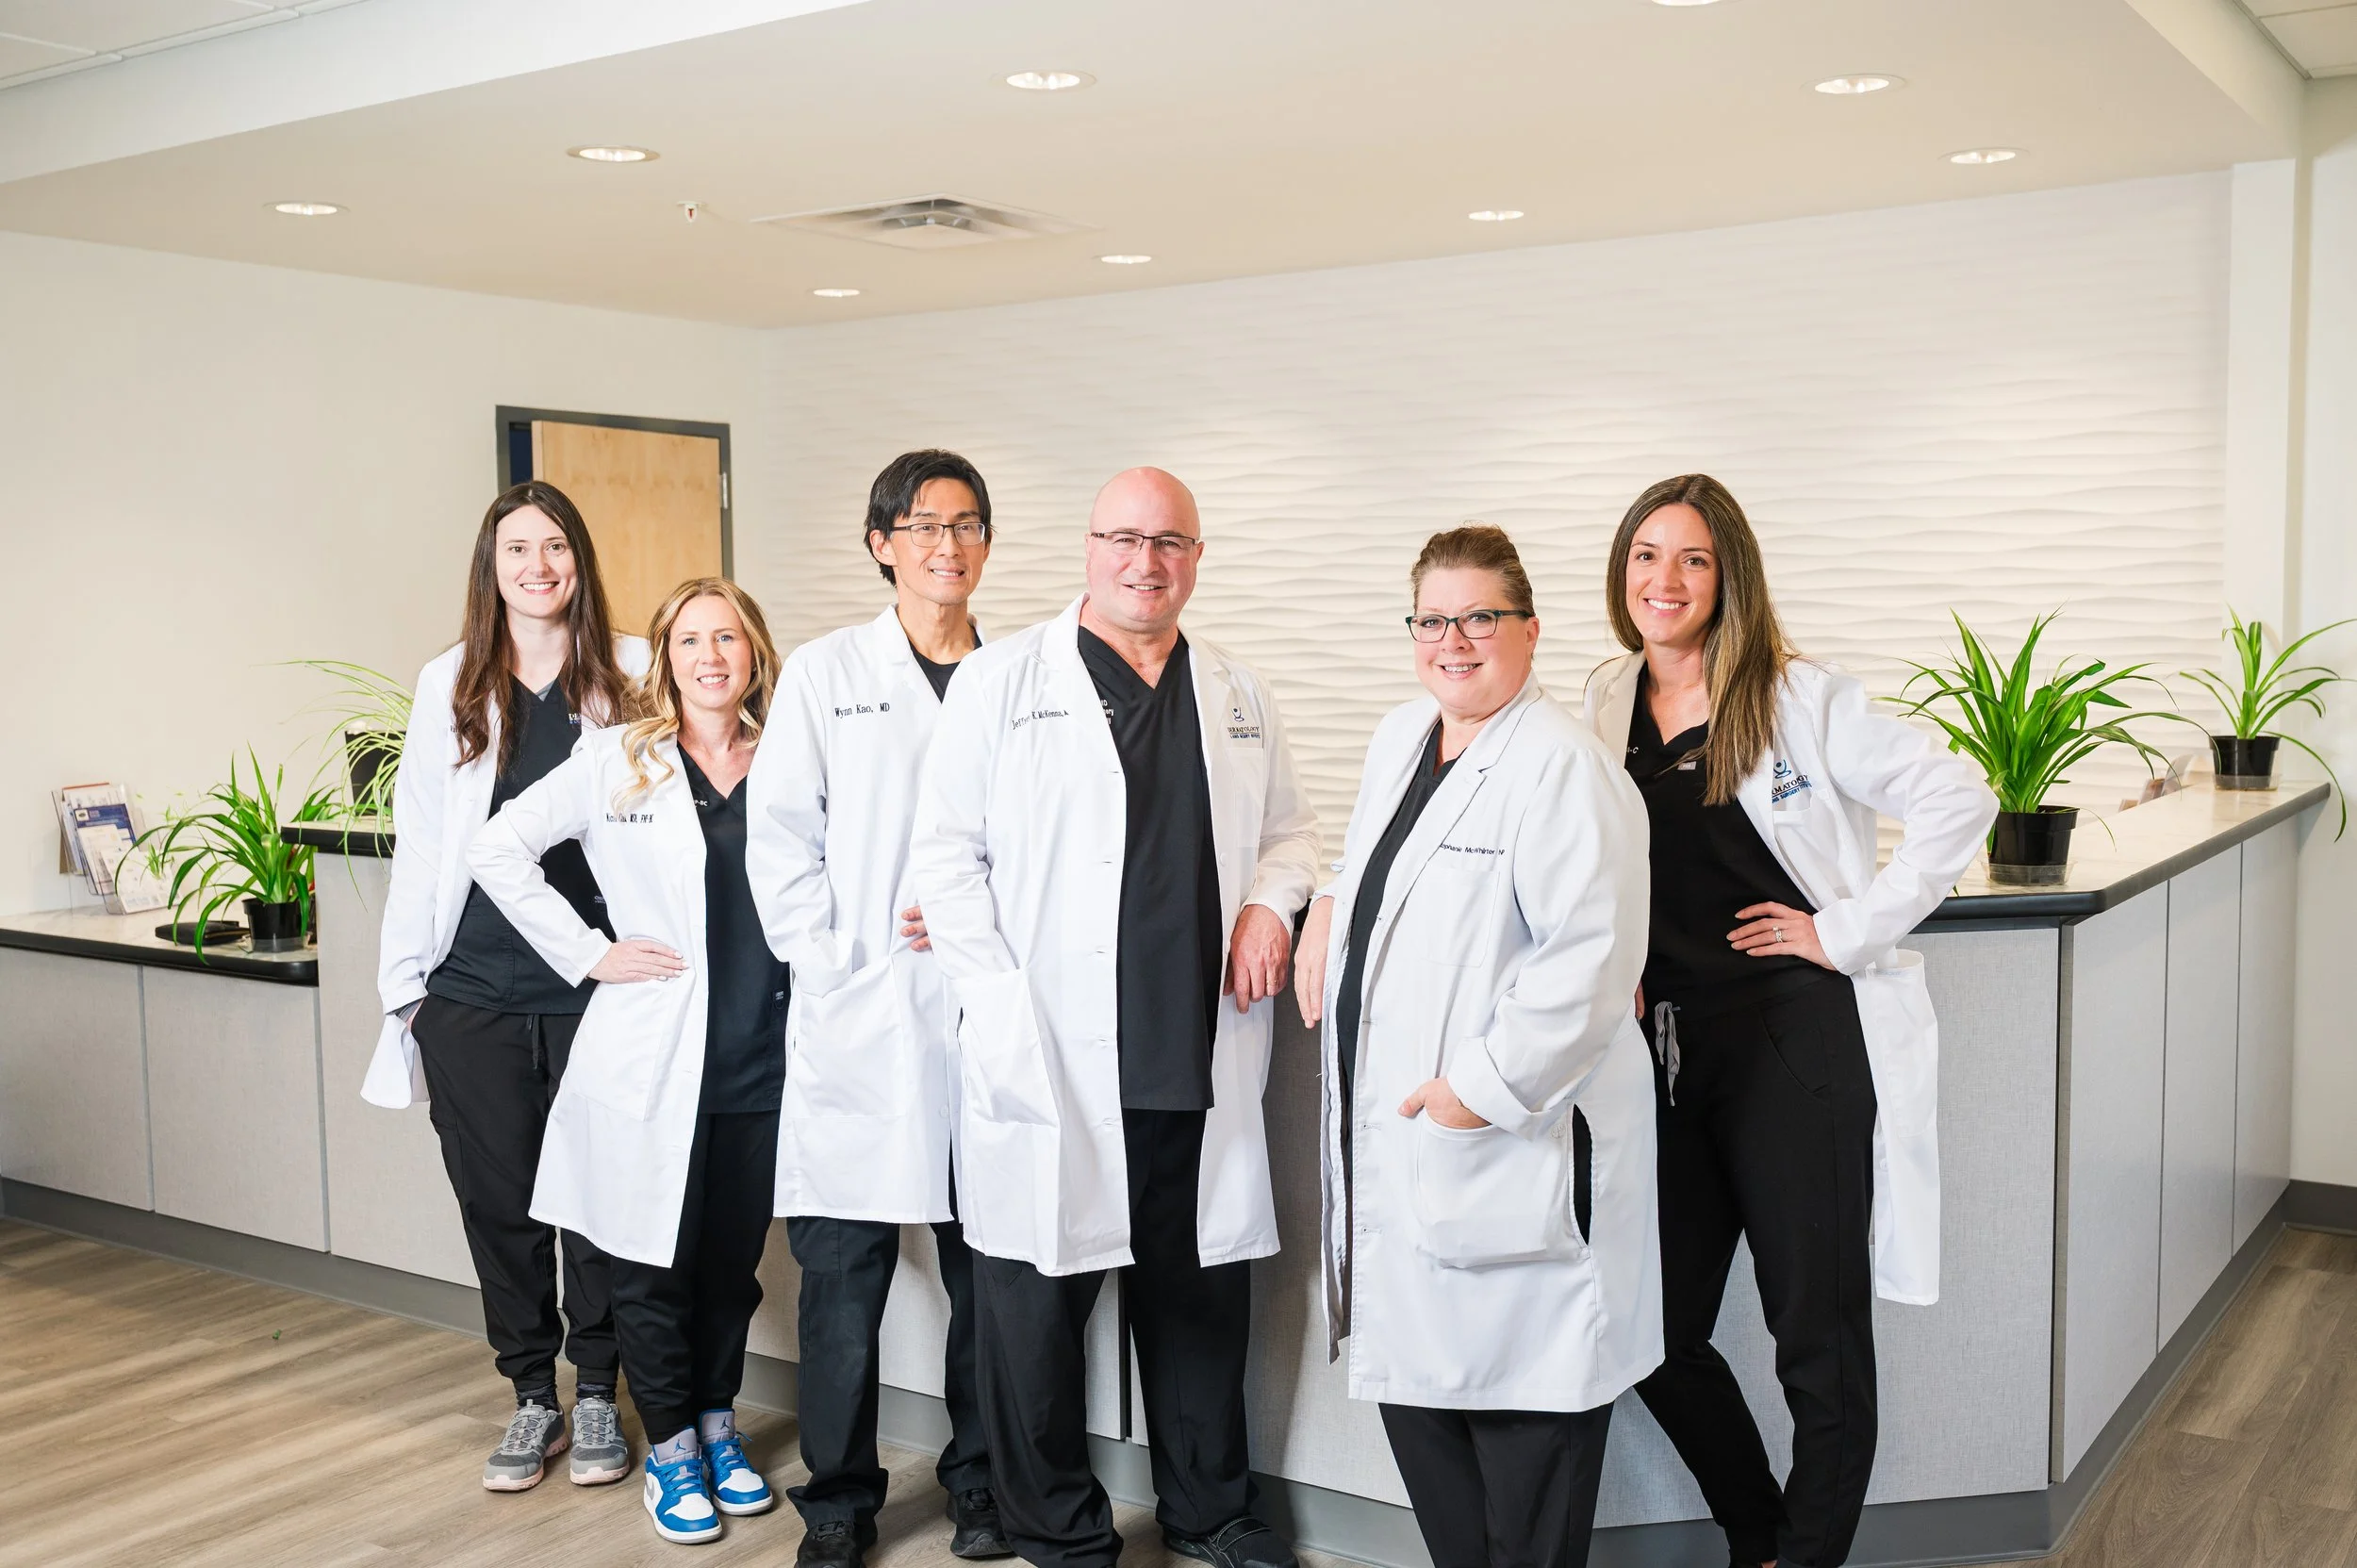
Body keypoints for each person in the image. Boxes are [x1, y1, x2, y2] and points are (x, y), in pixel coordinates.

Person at [910, 468, 1321, 1568]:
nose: (1148, 563)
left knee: (1196, 1312)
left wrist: (1266, 906)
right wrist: (996, 1008)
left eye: (1172, 542)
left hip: (1193, 1057)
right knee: (1032, 1320)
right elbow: (943, 861)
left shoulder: (1234, 692)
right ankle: (1058, 1528)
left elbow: (1289, 834)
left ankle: (1210, 1511)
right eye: (1127, 539)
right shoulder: (1002, 683)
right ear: (1089, 547)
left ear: (1197, 556)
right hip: (1047, 1060)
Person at [1583, 475, 1996, 1568]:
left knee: (1814, 1339)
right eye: (1645, 556)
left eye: (1692, 560)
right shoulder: (1601, 699)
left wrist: (1846, 928)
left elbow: (1960, 796)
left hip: (1791, 1041)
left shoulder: (1796, 697)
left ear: (1729, 579)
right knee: (1651, 1333)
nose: (1663, 581)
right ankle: (1762, 1536)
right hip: (1667, 1055)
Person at [1292, 525, 1656, 1568]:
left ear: (1529, 630)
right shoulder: (1400, 734)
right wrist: (1324, 902)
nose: (1453, 640)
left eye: (1479, 617)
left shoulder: (1565, 771)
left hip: (1504, 1156)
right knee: (1429, 1433)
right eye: (1432, 620)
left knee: (1524, 1466)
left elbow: (1588, 967)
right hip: (1407, 1164)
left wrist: (1477, 1092)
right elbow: (1372, 866)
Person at [470, 577, 792, 1547]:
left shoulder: (788, 761)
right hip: (650, 1057)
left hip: (760, 1060)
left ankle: (719, 1426)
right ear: (664, 656)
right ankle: (672, 1453)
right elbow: (498, 848)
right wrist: (588, 952)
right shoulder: (618, 757)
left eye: (727, 637)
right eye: (690, 639)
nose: (709, 656)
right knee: (652, 1269)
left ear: (755, 653)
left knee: (730, 1270)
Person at [746, 450, 1011, 1568]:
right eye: (921, 525)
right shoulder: (823, 671)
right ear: (880, 543)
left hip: (983, 1017)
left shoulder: (1022, 678)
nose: (944, 545)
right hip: (859, 1021)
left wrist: (972, 917)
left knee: (988, 1278)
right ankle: (842, 1500)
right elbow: (780, 841)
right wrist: (842, 956)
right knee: (842, 1284)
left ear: (986, 546)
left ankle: (983, 1483)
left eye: (964, 526)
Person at [364, 480, 644, 1493]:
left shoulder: (633, 671)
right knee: (502, 1207)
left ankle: (601, 1390)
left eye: (556, 546)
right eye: (517, 548)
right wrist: (412, 997)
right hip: (472, 993)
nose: (538, 566)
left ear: (581, 561)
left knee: (599, 1202)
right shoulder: (450, 681)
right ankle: (534, 1395)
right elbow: (423, 847)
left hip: (600, 990)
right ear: (491, 565)